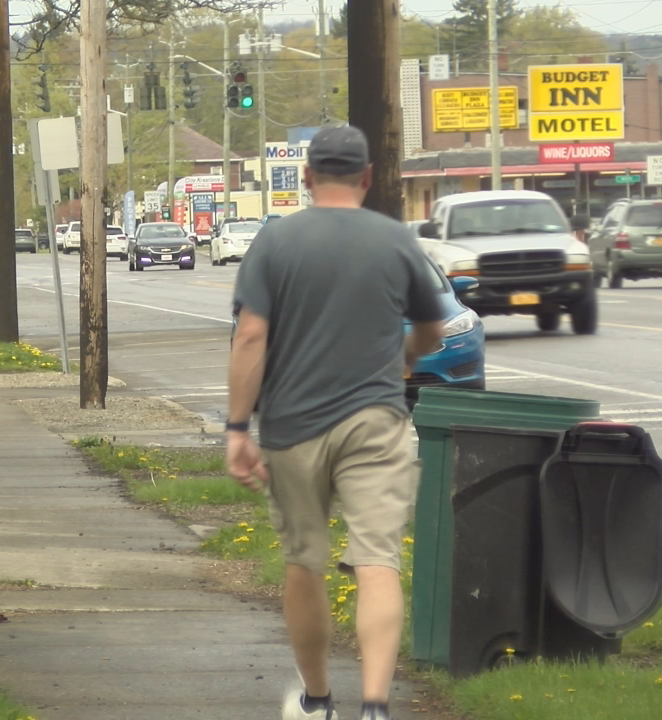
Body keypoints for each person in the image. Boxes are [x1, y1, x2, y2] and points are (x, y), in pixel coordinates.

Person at [225, 125, 445, 720]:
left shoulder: (275, 242)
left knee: (306, 560)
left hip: (294, 427)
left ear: (306, 177)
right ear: (368, 178)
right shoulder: (396, 240)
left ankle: (319, 701)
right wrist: (406, 355)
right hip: (376, 421)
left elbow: (250, 335)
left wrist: (237, 430)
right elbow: (433, 327)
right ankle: (375, 707)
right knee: (377, 560)